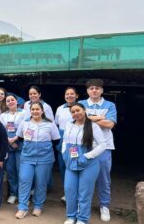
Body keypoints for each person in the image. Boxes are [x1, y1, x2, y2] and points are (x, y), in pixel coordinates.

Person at [62, 103, 107, 224]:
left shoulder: (93, 126)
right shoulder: (69, 125)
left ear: (84, 110)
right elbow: (65, 141)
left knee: (85, 191)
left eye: (78, 110)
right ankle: (71, 216)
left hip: (89, 163)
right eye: (73, 112)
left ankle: (82, 218)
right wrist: (64, 154)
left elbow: (103, 145)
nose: (76, 113)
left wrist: (88, 156)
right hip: (71, 161)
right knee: (69, 189)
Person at [79, 79, 117, 222]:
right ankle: (82, 207)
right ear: (87, 91)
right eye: (91, 88)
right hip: (85, 146)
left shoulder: (110, 105)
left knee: (103, 179)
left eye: (97, 88)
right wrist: (100, 117)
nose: (94, 90)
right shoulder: (82, 104)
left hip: (104, 147)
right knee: (83, 178)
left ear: (101, 90)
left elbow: (109, 124)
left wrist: (89, 118)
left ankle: (104, 206)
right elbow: (78, 119)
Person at [15, 102, 60, 219]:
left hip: (44, 158)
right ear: (30, 111)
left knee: (41, 182)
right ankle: (22, 208)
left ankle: (38, 206)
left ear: (42, 111)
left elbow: (56, 140)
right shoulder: (25, 123)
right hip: (27, 157)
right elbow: (20, 138)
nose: (35, 111)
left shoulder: (50, 124)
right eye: (33, 109)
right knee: (24, 180)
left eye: (37, 109)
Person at [0, 94, 26, 204]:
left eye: (12, 100)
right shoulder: (3, 115)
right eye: (8, 101)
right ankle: (13, 193)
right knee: (10, 171)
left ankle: (23, 195)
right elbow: (0, 130)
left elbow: (26, 128)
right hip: (8, 146)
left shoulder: (24, 113)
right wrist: (9, 141)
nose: (10, 102)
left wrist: (15, 139)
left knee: (22, 172)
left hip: (21, 145)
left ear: (17, 101)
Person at [54, 87, 79, 202]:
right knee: (63, 167)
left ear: (77, 96)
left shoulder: (80, 109)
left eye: (72, 94)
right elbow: (56, 124)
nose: (69, 96)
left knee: (74, 165)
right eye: (67, 94)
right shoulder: (60, 108)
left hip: (75, 140)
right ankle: (67, 193)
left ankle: (77, 193)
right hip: (62, 139)